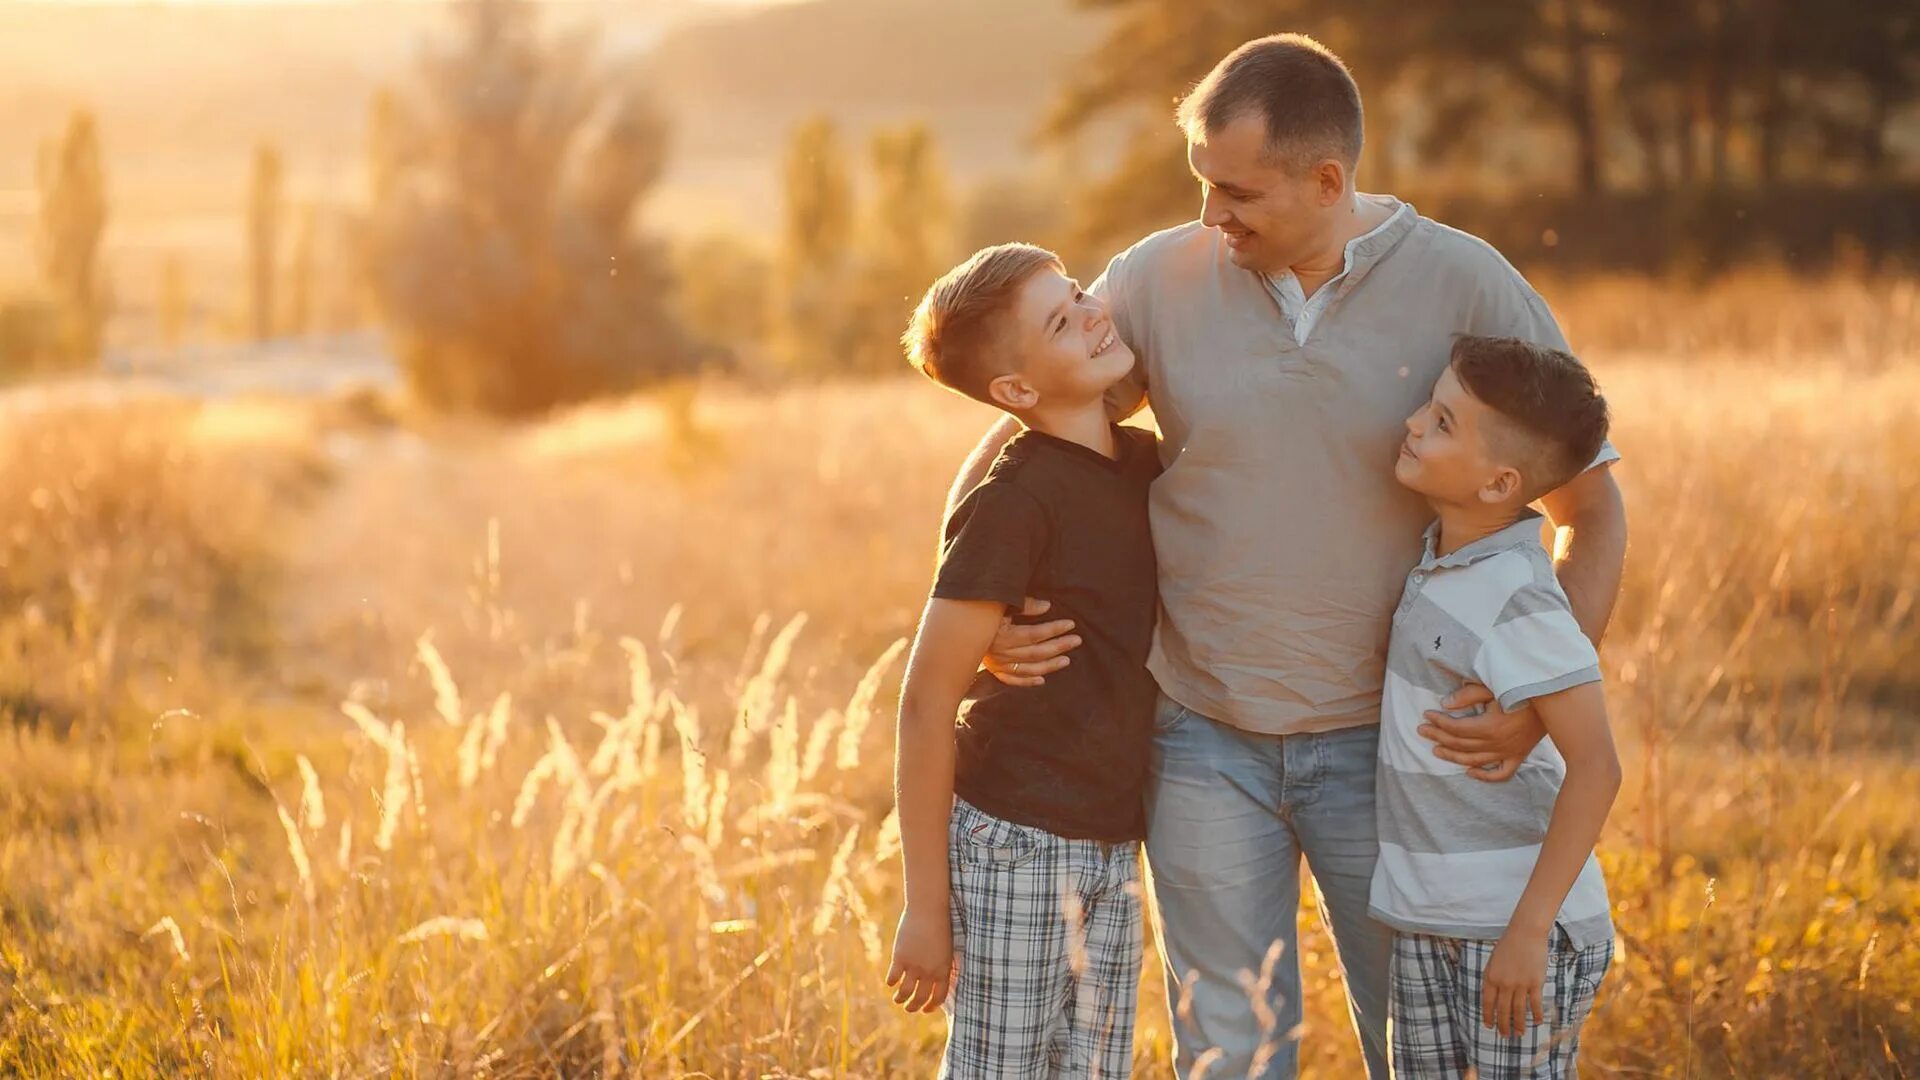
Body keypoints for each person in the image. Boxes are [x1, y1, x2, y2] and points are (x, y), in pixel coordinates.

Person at [948, 33, 1628, 1079]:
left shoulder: (1466, 283)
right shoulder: (1157, 281)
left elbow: (1594, 506)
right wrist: (983, 627)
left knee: (1413, 1048)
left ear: (1326, 179)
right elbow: (1017, 447)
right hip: (1200, 742)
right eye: (1201, 184)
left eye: (1237, 193)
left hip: (1393, 753)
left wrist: (1540, 692)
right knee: (1230, 1053)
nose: (1212, 216)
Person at [885, 242, 1161, 1078]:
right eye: (1059, 319)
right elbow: (926, 703)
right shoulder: (1014, 502)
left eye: (1077, 292)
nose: (1090, 312)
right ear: (1014, 392)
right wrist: (924, 909)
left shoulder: (1146, 464)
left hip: (1113, 841)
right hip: (1015, 841)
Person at [1374, 335, 1620, 1078]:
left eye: (1444, 421)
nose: (1415, 421)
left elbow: (1598, 768)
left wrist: (1528, 931)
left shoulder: (1518, 592)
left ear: (1498, 484)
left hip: (1513, 929)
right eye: (1430, 406)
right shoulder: (1446, 560)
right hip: (1430, 917)